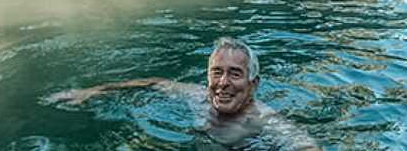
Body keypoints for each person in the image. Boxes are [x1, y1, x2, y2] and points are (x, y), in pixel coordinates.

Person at [48, 37, 321, 150]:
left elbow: (304, 144)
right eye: (217, 72)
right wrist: (90, 91)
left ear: (253, 84)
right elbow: (155, 83)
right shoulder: (197, 96)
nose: (223, 82)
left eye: (235, 73)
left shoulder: (263, 119)